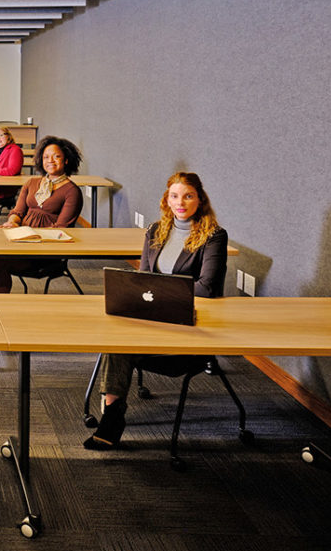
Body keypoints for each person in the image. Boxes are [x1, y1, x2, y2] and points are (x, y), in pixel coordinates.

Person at [84, 172, 228, 451]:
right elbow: (143, 279)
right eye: (174, 196)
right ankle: (113, 417)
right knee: (116, 339)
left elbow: (207, 288)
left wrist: (161, 291)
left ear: (200, 199)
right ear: (167, 199)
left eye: (188, 196)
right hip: (152, 320)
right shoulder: (155, 230)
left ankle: (111, 415)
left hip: (190, 330)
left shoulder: (214, 236)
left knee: (120, 344)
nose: (181, 202)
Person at [0, 136, 84, 292]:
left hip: (46, 250)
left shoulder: (72, 191)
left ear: (66, 160)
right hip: (21, 239)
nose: (50, 160)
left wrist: (30, 236)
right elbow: (17, 212)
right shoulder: (32, 183)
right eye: (45, 157)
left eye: (56, 156)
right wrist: (12, 222)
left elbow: (62, 228)